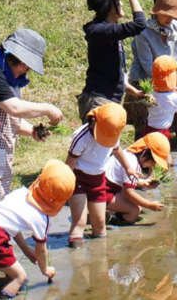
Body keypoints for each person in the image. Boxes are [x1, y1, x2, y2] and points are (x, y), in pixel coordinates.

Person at [0, 29, 63, 265]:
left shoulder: (7, 77)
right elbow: (15, 108)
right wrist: (47, 108)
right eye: (26, 65)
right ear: (14, 57)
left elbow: (10, 118)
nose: (27, 70)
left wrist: (31, 130)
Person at [0, 160, 74, 298]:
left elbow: (10, 224)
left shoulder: (21, 192)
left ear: (39, 180)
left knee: (10, 270)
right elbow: (41, 250)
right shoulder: (41, 219)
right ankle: (4, 296)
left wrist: (26, 250)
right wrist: (45, 269)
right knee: (20, 277)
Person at [127, 0, 177, 165]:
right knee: (144, 125)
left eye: (174, 16)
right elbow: (147, 65)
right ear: (158, 12)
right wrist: (169, 87)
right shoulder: (144, 33)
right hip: (145, 82)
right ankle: (137, 168)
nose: (170, 19)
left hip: (169, 81)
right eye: (167, 15)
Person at [78, 0, 146, 122]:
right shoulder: (100, 31)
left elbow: (108, 67)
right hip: (99, 102)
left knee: (110, 144)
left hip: (108, 101)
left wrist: (131, 90)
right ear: (109, 5)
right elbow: (140, 24)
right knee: (100, 144)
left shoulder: (107, 30)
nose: (121, 3)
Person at [67, 103, 132, 246]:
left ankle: (99, 261)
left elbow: (117, 150)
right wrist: (64, 185)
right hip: (78, 178)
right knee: (80, 222)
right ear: (94, 120)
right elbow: (70, 163)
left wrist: (128, 168)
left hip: (98, 180)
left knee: (100, 226)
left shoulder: (113, 134)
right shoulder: (81, 137)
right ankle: (78, 261)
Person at [105, 132, 169, 225]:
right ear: (146, 154)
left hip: (108, 186)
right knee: (134, 211)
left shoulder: (129, 153)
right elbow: (129, 193)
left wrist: (143, 183)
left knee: (137, 204)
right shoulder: (132, 163)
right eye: (154, 161)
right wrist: (149, 205)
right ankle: (113, 222)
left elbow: (123, 178)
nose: (153, 165)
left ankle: (113, 210)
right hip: (103, 191)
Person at [146, 56, 177, 141]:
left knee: (150, 151)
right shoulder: (174, 97)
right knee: (164, 153)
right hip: (163, 132)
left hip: (149, 129)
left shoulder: (151, 94)